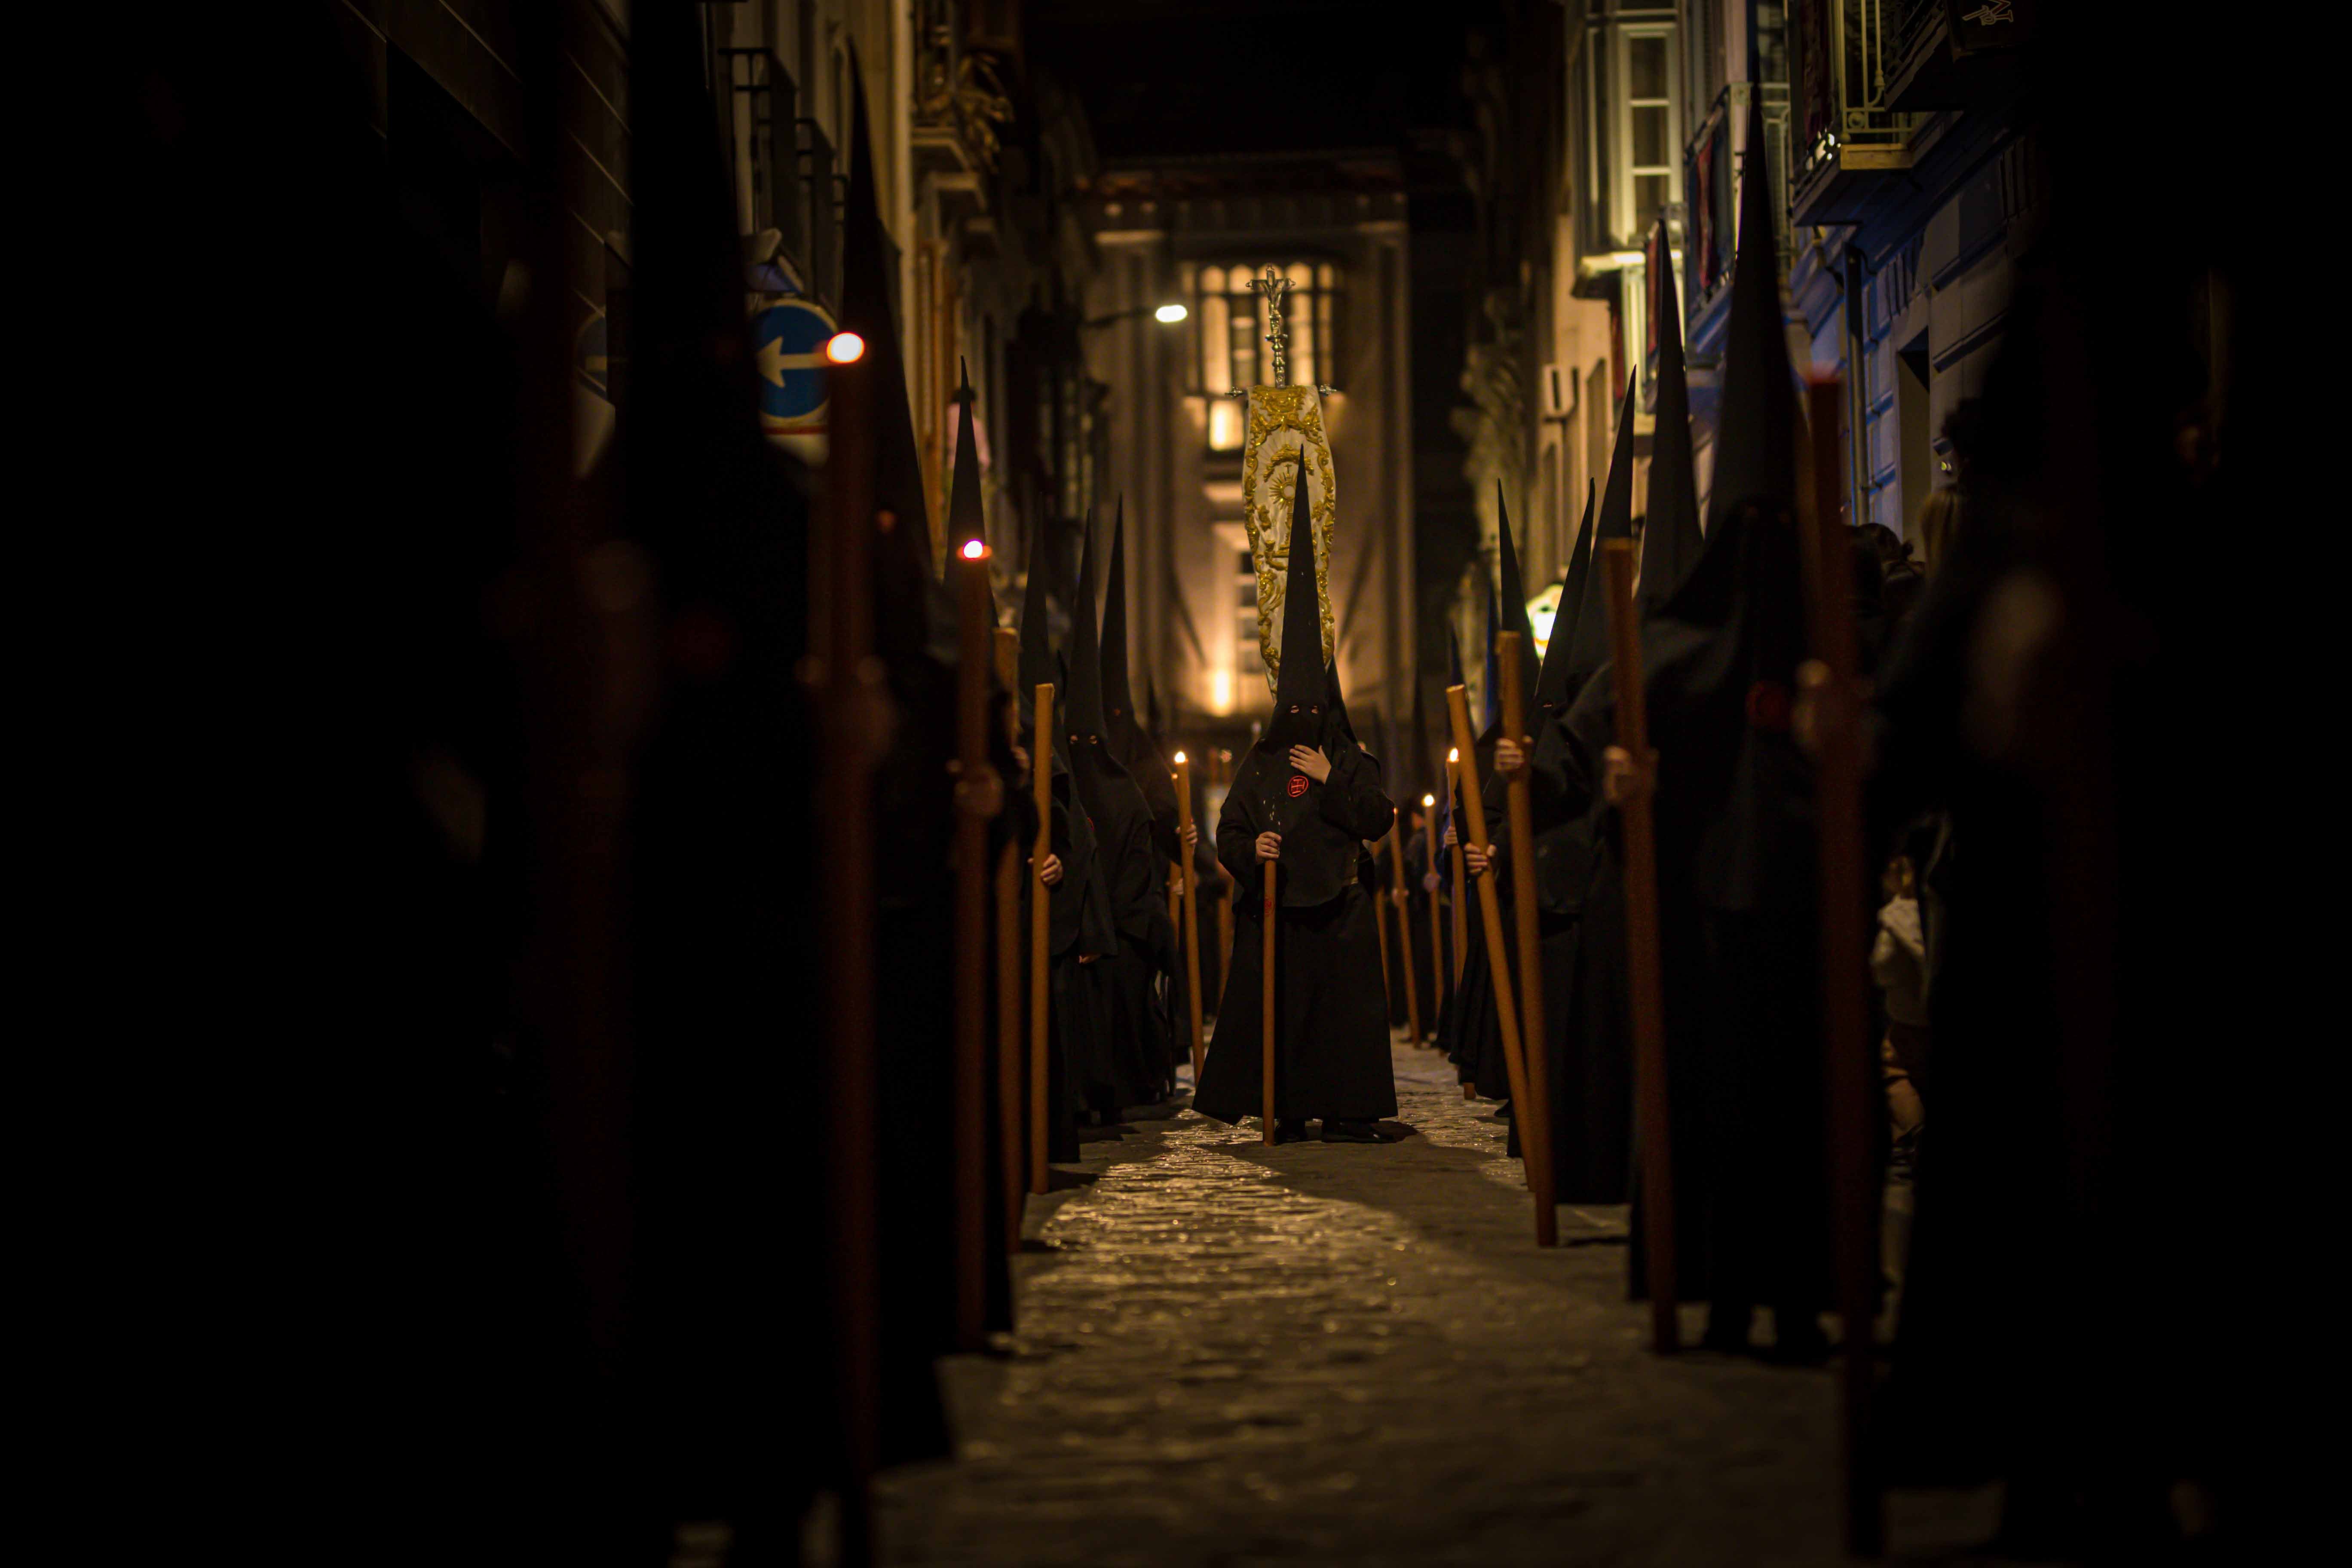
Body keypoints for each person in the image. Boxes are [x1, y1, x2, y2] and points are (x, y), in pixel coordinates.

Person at [1194, 461, 1399, 1142]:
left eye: (1318, 707)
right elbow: (1228, 831)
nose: (1307, 716)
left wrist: (1331, 780)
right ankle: (1279, 1103)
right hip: (1278, 911)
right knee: (1279, 1014)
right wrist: (1252, 850)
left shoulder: (1350, 760)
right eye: (1298, 707)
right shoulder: (1260, 765)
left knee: (1339, 1018)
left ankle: (1347, 1108)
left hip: (1338, 909)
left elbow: (1377, 818)